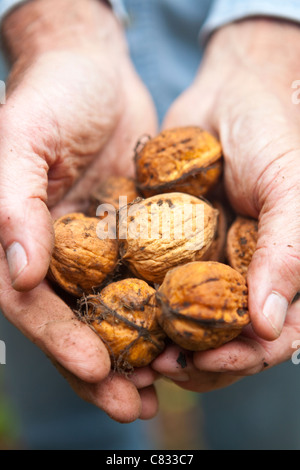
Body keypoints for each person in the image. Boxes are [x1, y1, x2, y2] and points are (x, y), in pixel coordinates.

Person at [0, 0, 299, 449]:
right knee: (64, 413)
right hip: (50, 185)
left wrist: (265, 51)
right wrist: (54, 29)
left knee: (263, 414)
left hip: (234, 128)